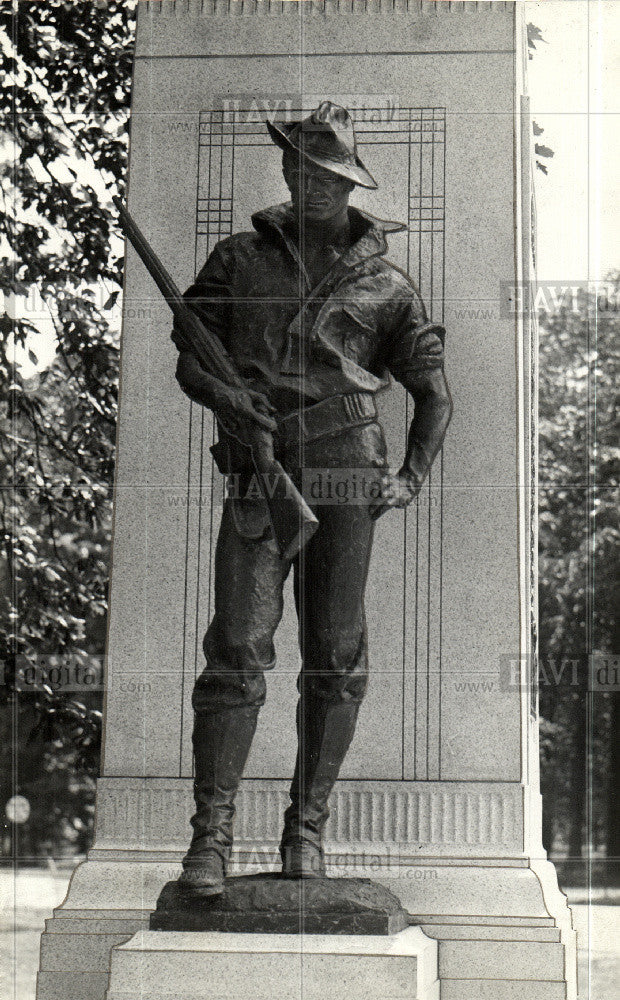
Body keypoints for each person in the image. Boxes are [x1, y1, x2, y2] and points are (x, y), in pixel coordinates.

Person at [171, 101, 452, 895]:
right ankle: (211, 842)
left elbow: (434, 395)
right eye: (303, 169)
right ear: (289, 174)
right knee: (237, 650)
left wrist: (410, 477)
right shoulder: (236, 258)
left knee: (333, 659)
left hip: (346, 470)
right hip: (260, 466)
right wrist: (225, 401)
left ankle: (306, 836)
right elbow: (193, 357)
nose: (315, 184)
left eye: (331, 175)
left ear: (351, 184)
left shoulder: (388, 285)